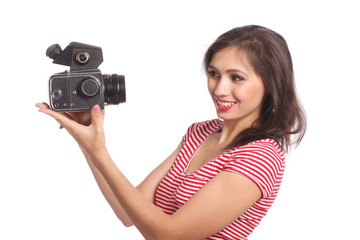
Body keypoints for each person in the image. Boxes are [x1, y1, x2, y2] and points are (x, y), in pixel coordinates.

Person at [36, 25, 306, 240]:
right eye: (214, 74)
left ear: (270, 85)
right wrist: (85, 134)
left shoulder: (261, 157)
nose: (220, 89)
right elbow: (128, 212)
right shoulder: (201, 132)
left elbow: (166, 235)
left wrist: (99, 151)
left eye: (237, 78)